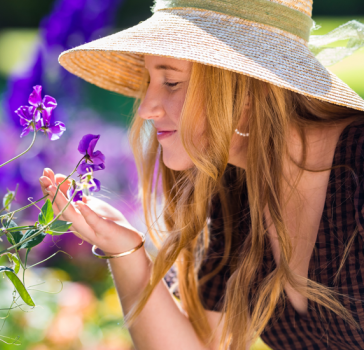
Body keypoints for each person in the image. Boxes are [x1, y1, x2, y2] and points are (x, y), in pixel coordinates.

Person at [39, 0, 364, 349]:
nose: (147, 107)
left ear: (247, 88)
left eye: (172, 82)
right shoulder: (233, 183)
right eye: (150, 80)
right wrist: (127, 252)